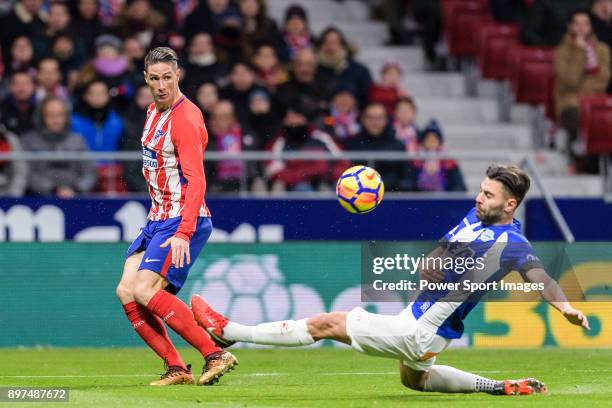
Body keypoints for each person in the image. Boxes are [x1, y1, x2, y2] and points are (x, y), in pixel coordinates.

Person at [192, 164, 591, 396]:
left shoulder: (513, 242)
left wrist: (567, 308)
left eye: (487, 195)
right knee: (414, 380)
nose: (478, 198)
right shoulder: (474, 218)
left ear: (509, 204)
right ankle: (499, 387)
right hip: (433, 330)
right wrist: (432, 260)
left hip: (420, 328)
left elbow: (541, 279)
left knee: (326, 323)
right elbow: (445, 248)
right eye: (480, 190)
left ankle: (228, 331)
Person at [114, 47, 236, 387]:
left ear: (178, 75)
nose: (162, 85)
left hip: (183, 217)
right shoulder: (153, 110)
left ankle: (214, 353)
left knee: (144, 288)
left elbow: (197, 179)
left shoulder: (185, 118)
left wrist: (183, 231)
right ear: (146, 79)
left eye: (168, 77)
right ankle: (177, 368)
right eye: (155, 78)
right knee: (126, 290)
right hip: (157, 217)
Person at [554, 9, 610, 171]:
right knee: (576, 113)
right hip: (569, 102)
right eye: (577, 24)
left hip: (595, 103)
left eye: (585, 23)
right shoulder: (562, 51)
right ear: (570, 27)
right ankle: (580, 158)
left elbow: (602, 80)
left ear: (591, 26)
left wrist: (583, 92)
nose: (581, 28)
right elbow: (569, 81)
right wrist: (580, 51)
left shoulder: (602, 50)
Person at [20, 96, 97, 197]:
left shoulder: (78, 140)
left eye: (60, 115)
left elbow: (90, 172)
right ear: (41, 117)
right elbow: (27, 173)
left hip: (75, 197)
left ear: (67, 117)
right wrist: (53, 190)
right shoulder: (28, 141)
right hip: (39, 198)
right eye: (50, 115)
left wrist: (76, 189)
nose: (56, 120)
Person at [406, 120, 466, 192]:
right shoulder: (416, 161)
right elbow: (409, 184)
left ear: (440, 142)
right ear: (423, 142)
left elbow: (459, 186)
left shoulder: (449, 162)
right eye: (428, 140)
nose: (431, 143)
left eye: (434, 140)